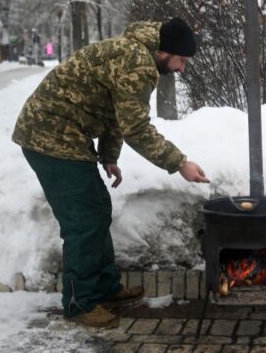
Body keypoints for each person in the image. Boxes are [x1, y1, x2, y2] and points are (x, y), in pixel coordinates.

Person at [12, 17, 210, 329]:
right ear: (165, 52)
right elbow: (137, 129)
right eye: (181, 61)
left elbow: (115, 113)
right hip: (49, 135)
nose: (182, 69)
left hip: (64, 133)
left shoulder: (136, 53)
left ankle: (104, 288)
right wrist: (179, 163)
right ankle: (80, 304)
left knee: (98, 209)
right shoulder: (137, 62)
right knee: (83, 221)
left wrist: (108, 156)